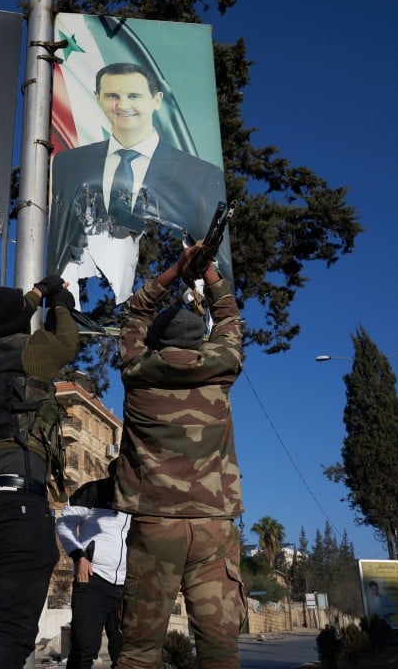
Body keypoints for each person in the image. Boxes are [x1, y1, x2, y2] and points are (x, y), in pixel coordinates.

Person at [113, 244, 246, 669]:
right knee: (220, 654)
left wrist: (175, 270)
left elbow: (135, 313)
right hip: (214, 526)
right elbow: (228, 316)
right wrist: (207, 272)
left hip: (155, 525)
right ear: (200, 339)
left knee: (137, 653)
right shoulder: (222, 366)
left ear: (155, 342)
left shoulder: (136, 372)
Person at [0, 275, 79, 668]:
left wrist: (38, 292)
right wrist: (60, 302)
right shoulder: (30, 351)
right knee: (11, 636)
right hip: (16, 507)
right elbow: (68, 342)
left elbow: (9, 316)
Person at [48, 62, 229, 303]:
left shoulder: (200, 174)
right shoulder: (68, 163)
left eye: (134, 95)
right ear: (97, 98)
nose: (122, 105)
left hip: (174, 316)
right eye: (112, 95)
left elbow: (213, 255)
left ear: (156, 100)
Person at [56, 461, 131, 669]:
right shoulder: (93, 491)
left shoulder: (139, 499)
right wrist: (79, 556)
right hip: (92, 581)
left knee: (125, 654)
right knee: (84, 650)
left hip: (127, 586)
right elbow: (64, 523)